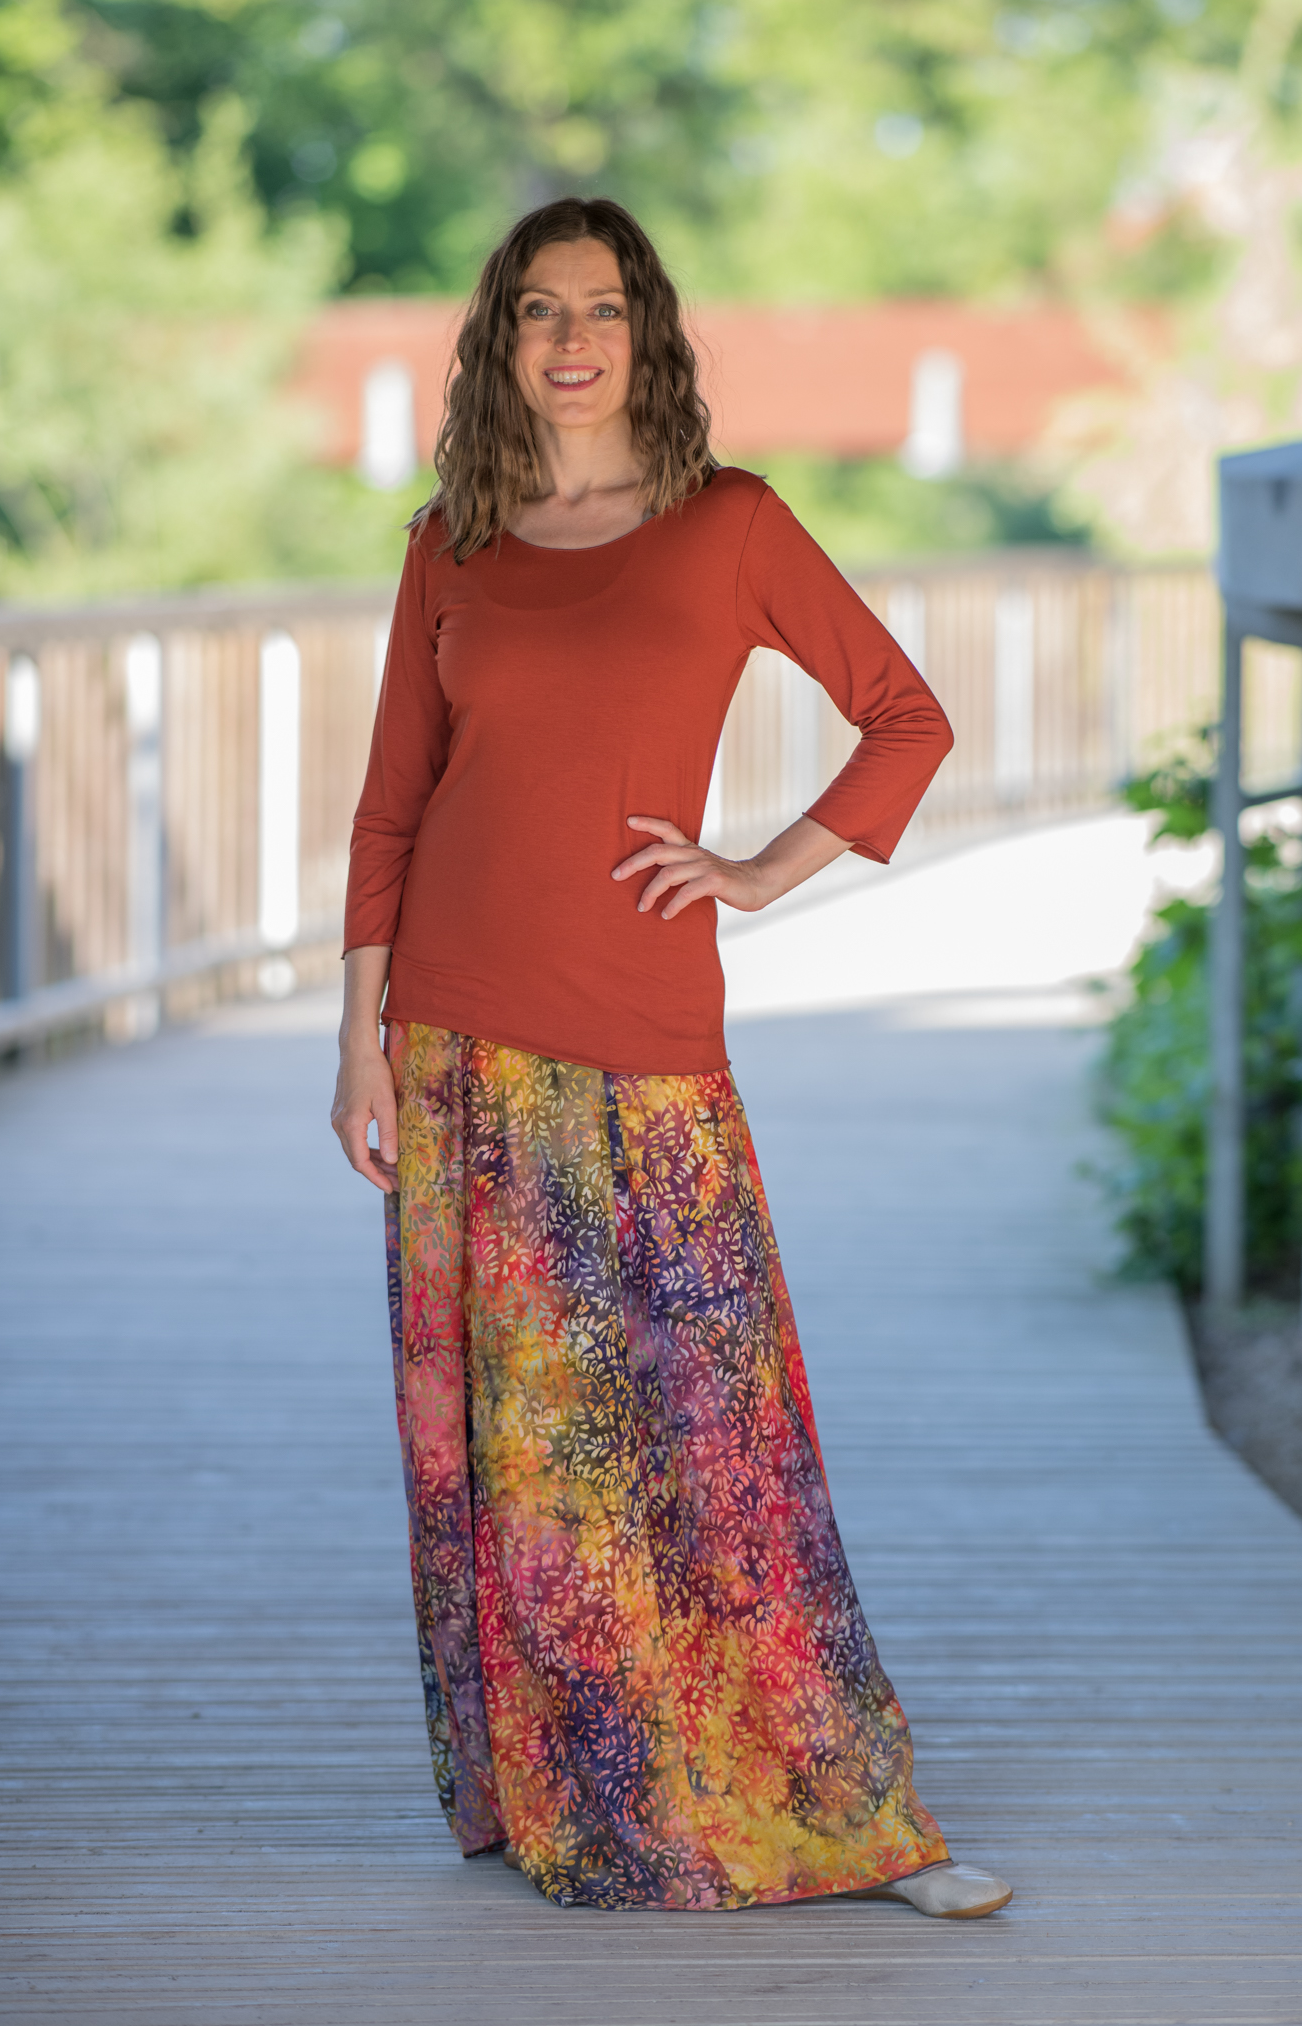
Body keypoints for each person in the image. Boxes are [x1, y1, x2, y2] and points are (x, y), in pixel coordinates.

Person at [330, 195, 1011, 1920]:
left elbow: (906, 716)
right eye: (538, 310)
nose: (571, 340)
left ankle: (843, 1811)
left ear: (646, 334)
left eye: (603, 309)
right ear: (500, 341)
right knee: (522, 1460)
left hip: (644, 1039)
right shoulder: (450, 542)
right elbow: (393, 806)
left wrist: (762, 870)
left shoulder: (730, 523)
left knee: (717, 1439)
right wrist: (359, 1039)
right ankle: (578, 1797)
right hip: (455, 1049)